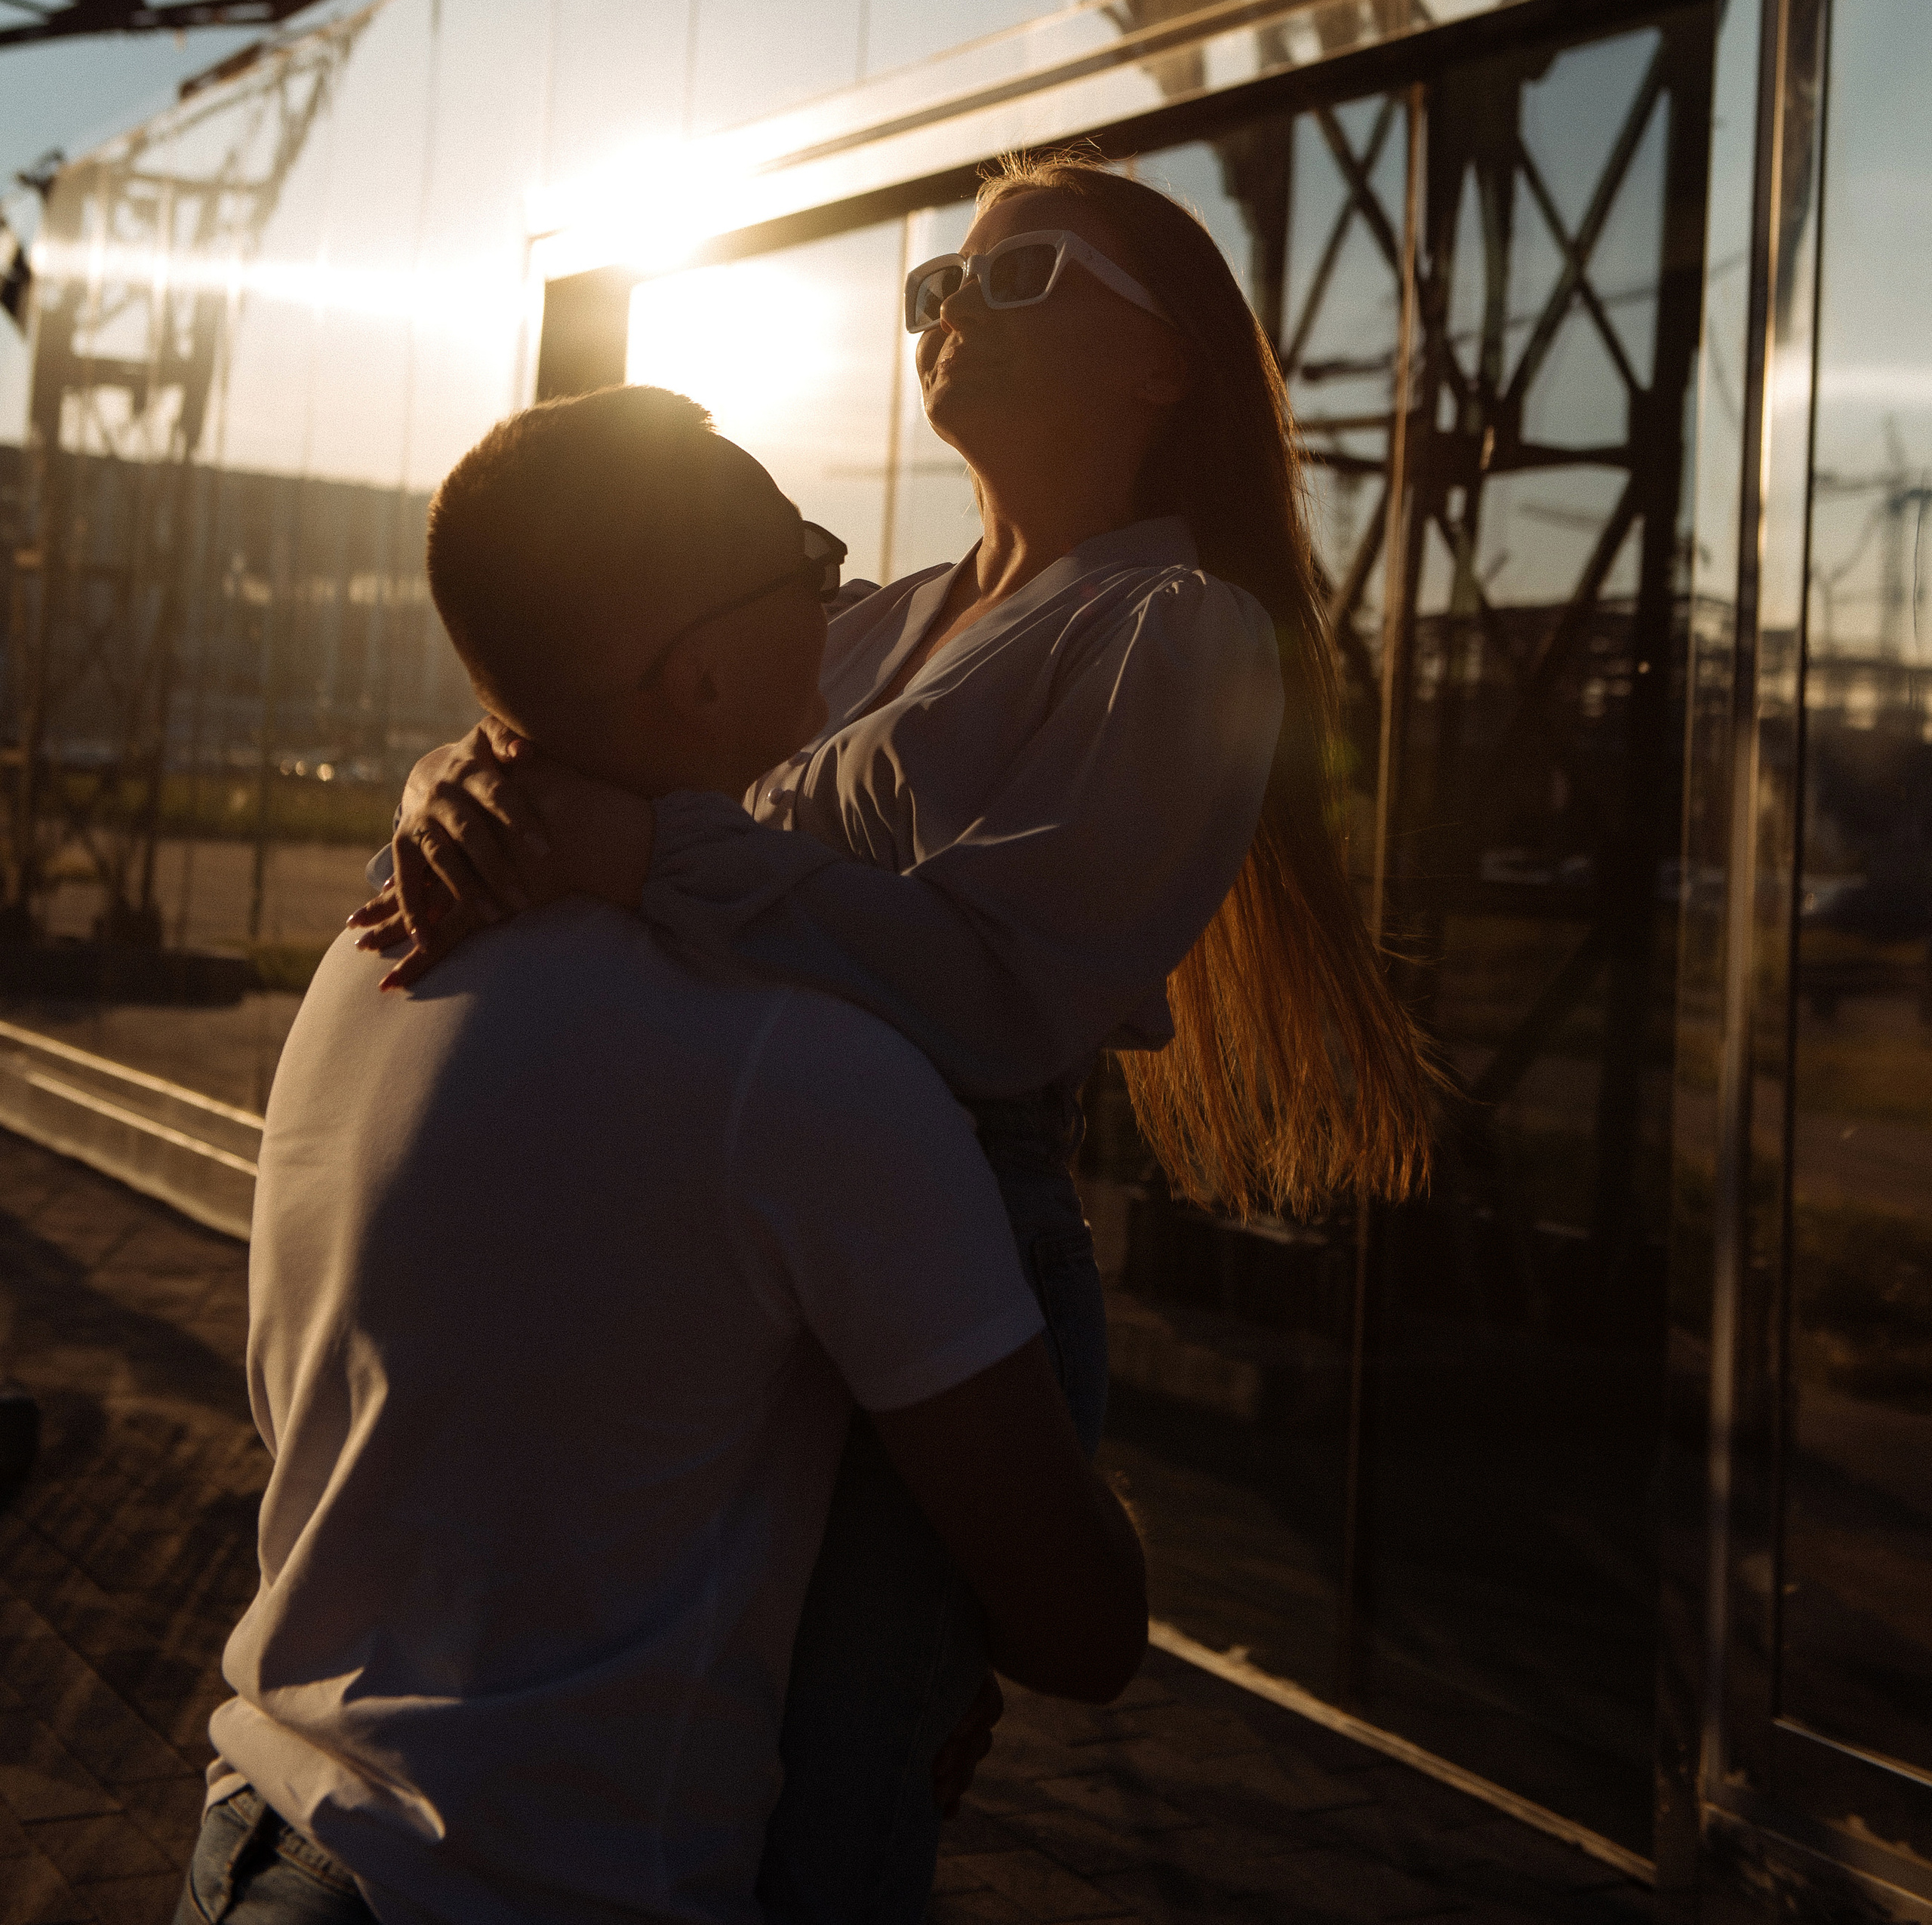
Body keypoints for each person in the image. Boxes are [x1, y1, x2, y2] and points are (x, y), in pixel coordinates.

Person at [355, 149, 1435, 1920]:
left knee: (826, 1797)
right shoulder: (878, 617)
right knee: (717, 1717)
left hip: (950, 1233)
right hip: (758, 1218)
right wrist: (457, 790)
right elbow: (612, 716)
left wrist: (640, 855)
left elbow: (1003, 995)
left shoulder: (1177, 637)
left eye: (1022, 277)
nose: (949, 314)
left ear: (1163, 361)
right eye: (938, 286)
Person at [175, 388, 1146, 1925]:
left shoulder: (378, 947)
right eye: (805, 561)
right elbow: (1080, 1625)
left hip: (254, 1845)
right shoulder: (808, 1070)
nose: (839, 591)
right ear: (699, 675)